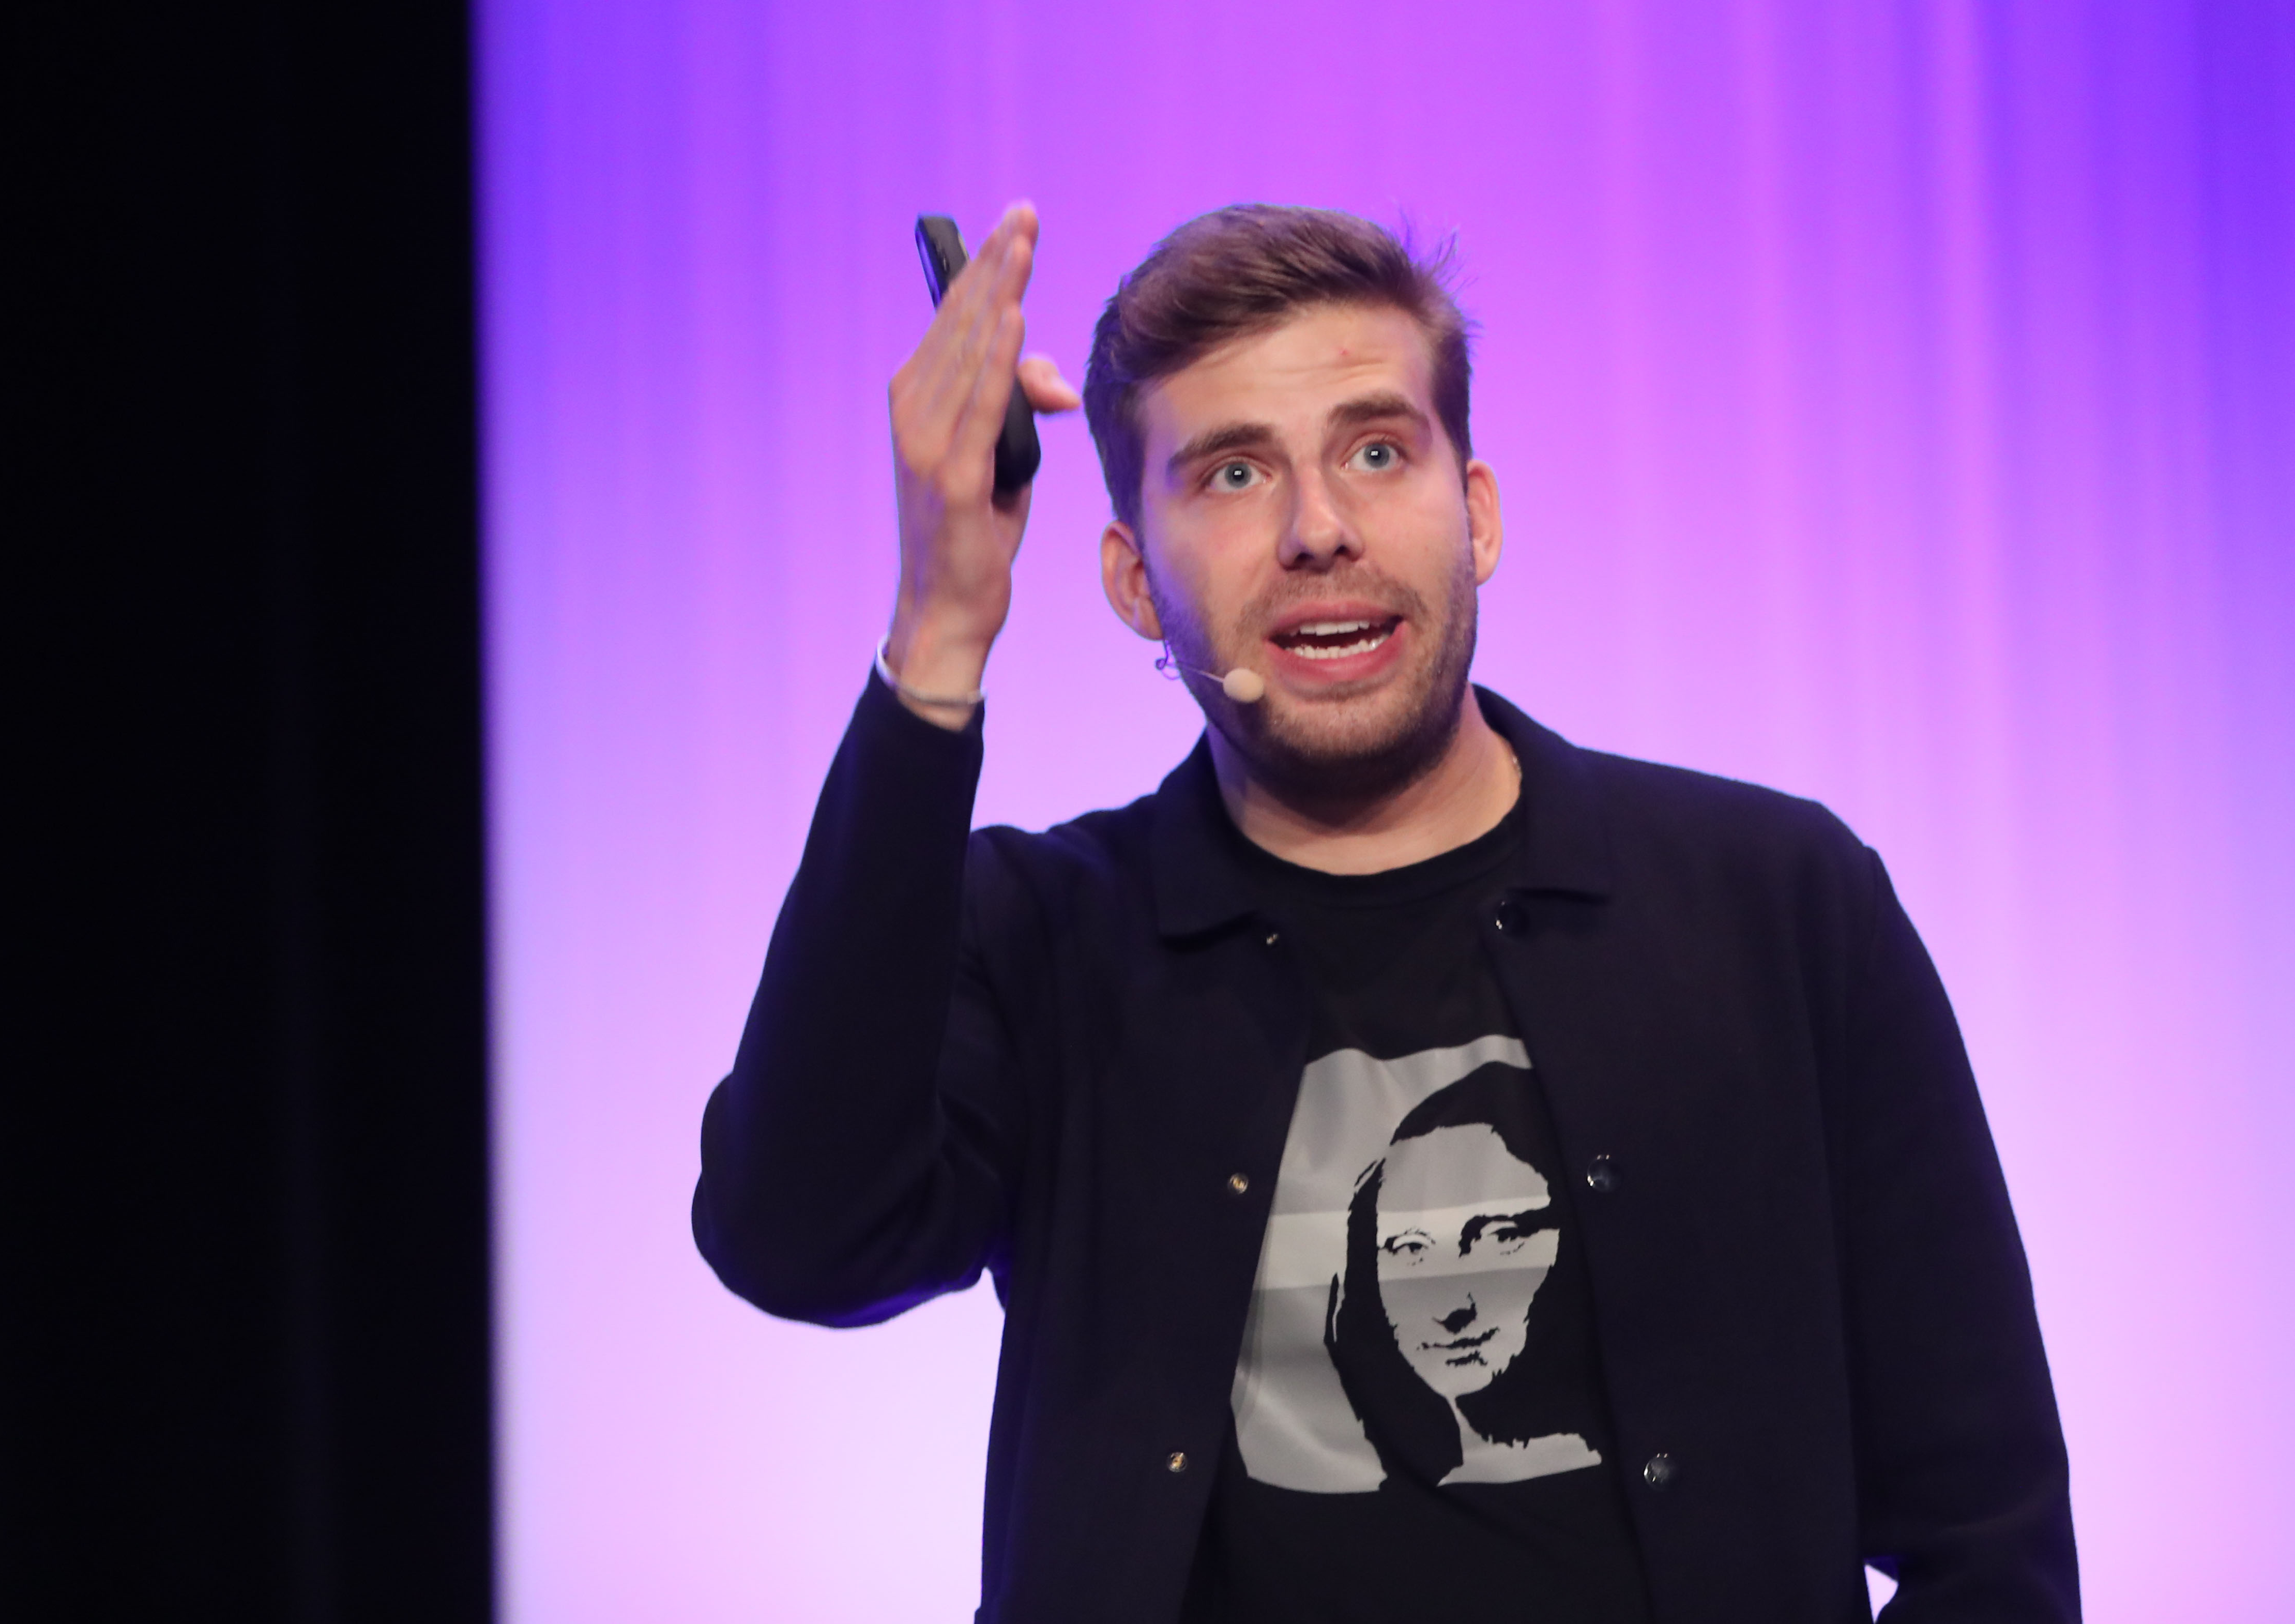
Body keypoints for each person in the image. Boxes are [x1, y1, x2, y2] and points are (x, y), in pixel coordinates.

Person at [693, 201, 2077, 1623]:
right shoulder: (1043, 937)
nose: (1318, 529)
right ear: (1132, 582)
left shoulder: (1777, 903)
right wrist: (938, 633)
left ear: (1476, 515)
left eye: (1374, 451)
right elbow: (804, 1238)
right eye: (1234, 474)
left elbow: (1988, 1529)